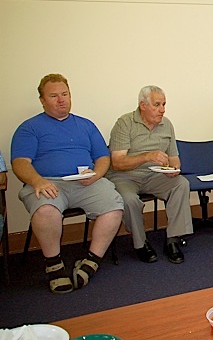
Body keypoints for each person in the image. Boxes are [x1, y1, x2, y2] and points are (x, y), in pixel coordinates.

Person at [11, 74, 124, 293]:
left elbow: (103, 157)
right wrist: (37, 180)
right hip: (48, 183)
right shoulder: (29, 128)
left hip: (86, 182)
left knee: (114, 205)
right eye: (54, 96)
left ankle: (92, 260)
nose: (61, 100)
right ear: (42, 100)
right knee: (45, 211)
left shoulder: (86, 125)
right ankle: (54, 265)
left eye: (65, 94)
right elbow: (20, 163)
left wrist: (97, 174)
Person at [107, 86, 193, 264]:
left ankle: (173, 239)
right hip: (125, 176)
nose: (162, 109)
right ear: (143, 105)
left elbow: (174, 158)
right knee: (129, 199)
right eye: (157, 104)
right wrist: (147, 156)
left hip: (155, 176)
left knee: (181, 183)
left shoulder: (166, 124)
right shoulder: (125, 123)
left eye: (164, 104)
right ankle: (141, 243)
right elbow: (117, 162)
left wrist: (174, 168)